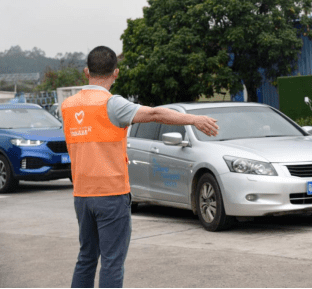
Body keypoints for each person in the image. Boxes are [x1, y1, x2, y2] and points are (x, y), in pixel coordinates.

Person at [61, 46, 219, 288]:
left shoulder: (68, 106)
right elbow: (155, 113)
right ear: (116, 73)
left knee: (86, 258)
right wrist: (194, 119)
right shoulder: (112, 104)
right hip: (111, 194)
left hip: (82, 195)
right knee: (112, 262)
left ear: (86, 71)